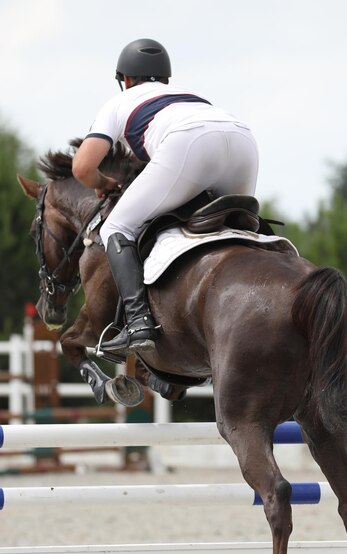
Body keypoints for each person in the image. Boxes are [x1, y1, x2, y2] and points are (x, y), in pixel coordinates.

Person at [72, 38, 259, 354]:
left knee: (116, 228)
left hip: (190, 143)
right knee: (240, 229)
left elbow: (82, 167)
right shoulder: (188, 95)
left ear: (125, 80)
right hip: (243, 140)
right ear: (165, 79)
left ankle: (138, 323)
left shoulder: (121, 101)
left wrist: (102, 182)